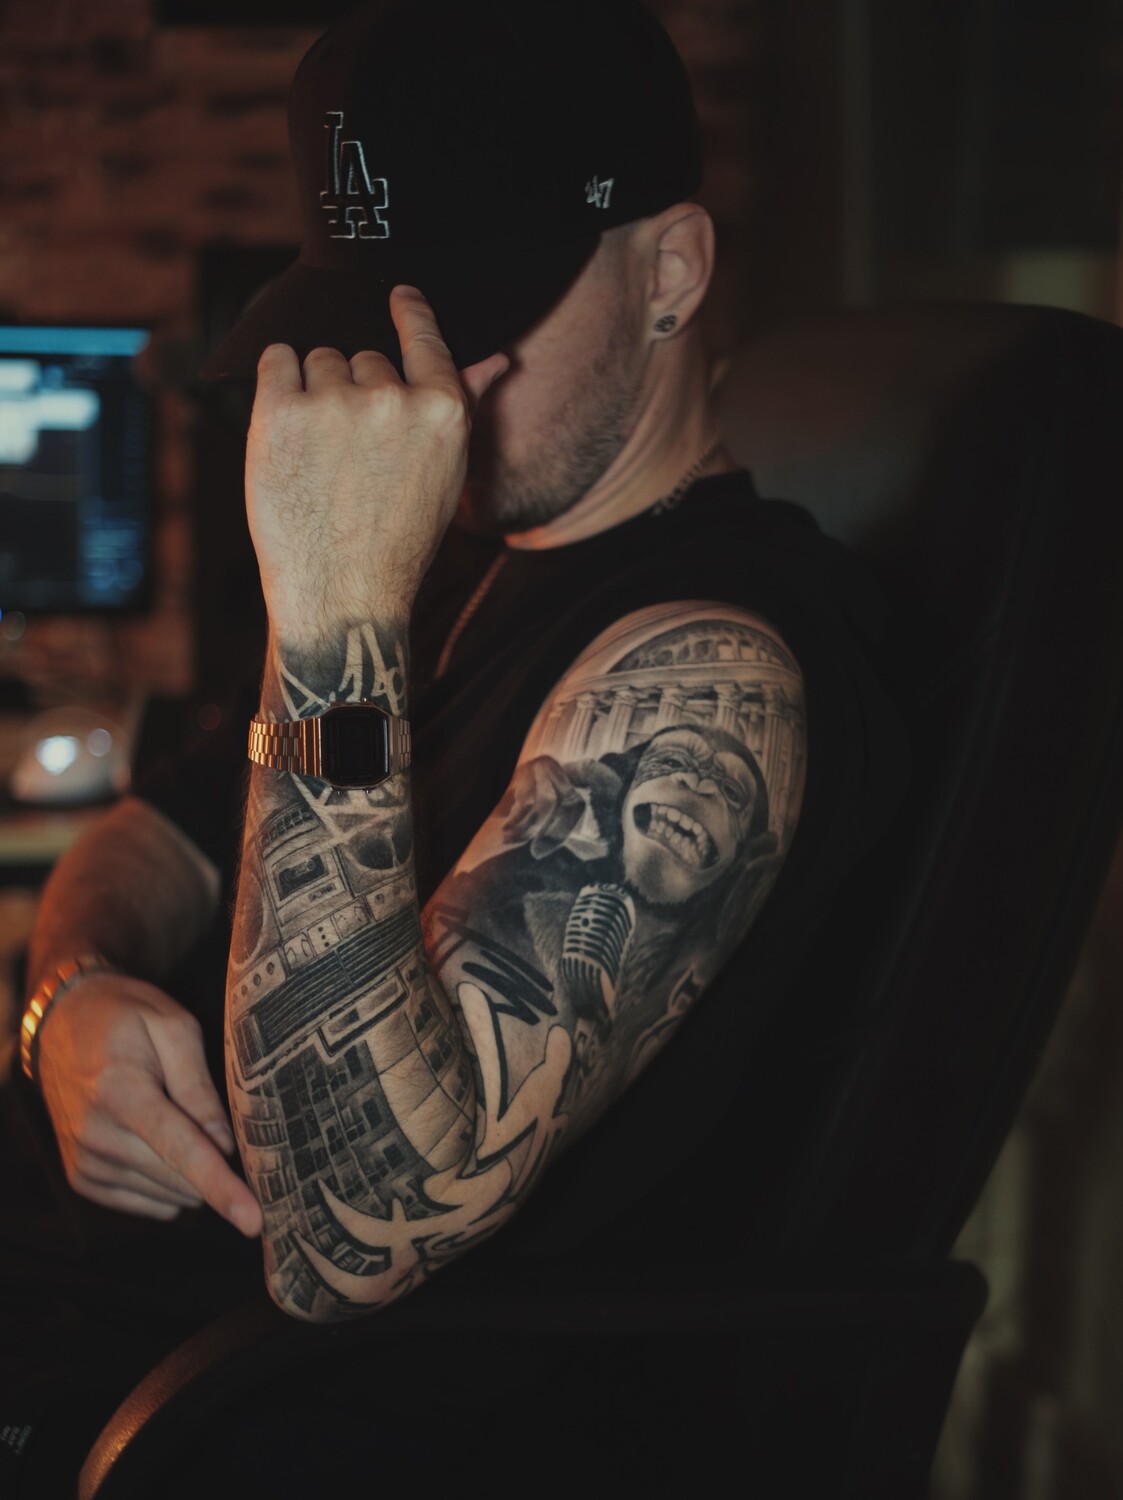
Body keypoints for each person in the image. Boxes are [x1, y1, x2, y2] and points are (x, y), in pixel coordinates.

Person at [3, 0, 905, 1486]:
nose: (430, 385)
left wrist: (332, 606)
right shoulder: (463, 557)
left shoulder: (710, 666)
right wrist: (70, 1001)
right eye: (385, 316)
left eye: (482, 317)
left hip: (228, 1398)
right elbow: (157, 831)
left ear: (672, 272)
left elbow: (338, 1249)